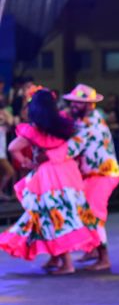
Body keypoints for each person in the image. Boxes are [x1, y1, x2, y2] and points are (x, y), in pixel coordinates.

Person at [0, 89, 101, 273]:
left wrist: (26, 162)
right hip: (67, 173)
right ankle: (56, 258)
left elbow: (13, 147)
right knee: (60, 214)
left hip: (48, 176)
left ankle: (67, 264)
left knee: (52, 216)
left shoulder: (34, 129)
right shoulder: (63, 125)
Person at [58, 84, 119, 272]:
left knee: (93, 215)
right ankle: (93, 250)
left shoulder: (89, 124)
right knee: (83, 212)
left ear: (90, 104)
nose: (74, 105)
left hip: (102, 175)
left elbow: (70, 149)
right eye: (73, 102)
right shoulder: (88, 119)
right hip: (93, 174)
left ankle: (104, 257)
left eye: (79, 103)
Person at [0, 97, 15, 200]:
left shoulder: (3, 115)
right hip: (0, 151)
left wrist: (4, 113)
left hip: (3, 149)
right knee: (10, 171)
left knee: (1, 173)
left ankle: (0, 193)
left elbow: (11, 122)